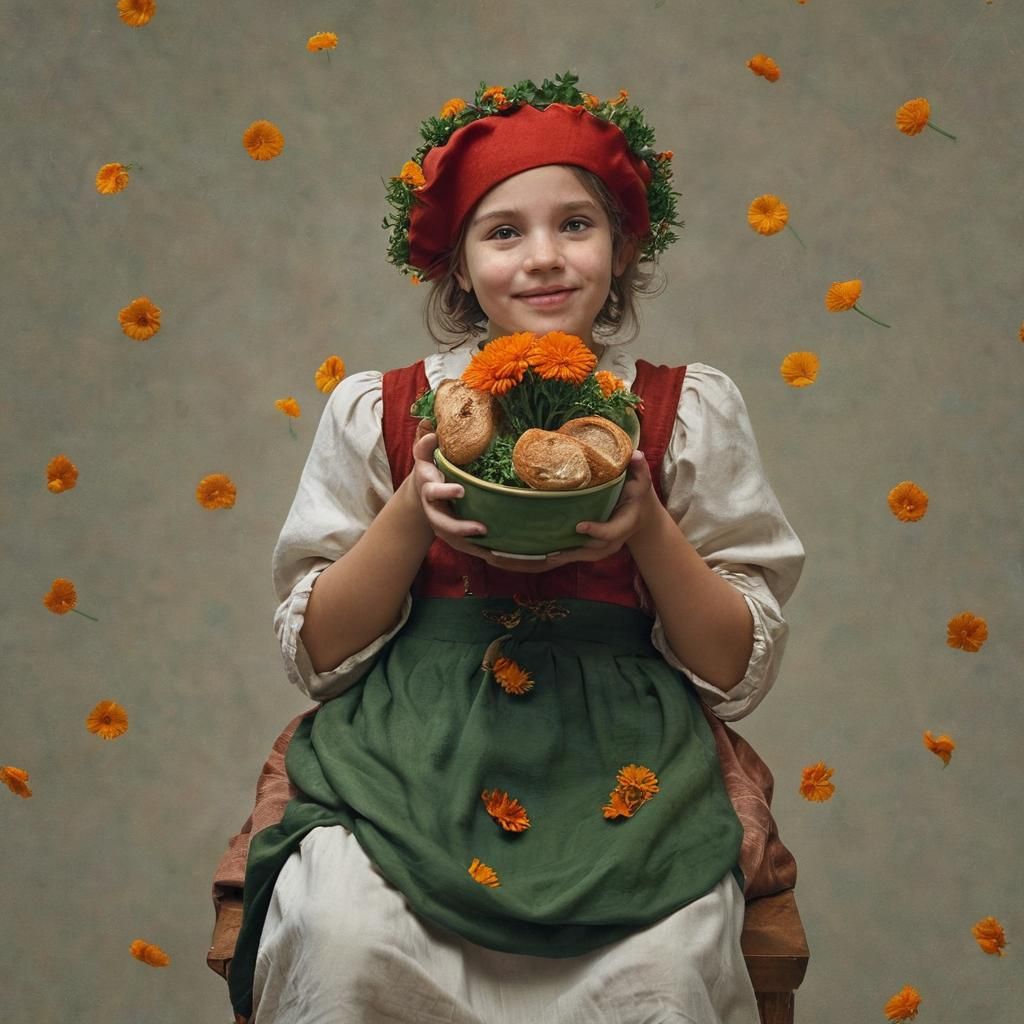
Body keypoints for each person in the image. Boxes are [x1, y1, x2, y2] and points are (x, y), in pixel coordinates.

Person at [226, 73, 805, 1024]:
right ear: (457, 266)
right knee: (342, 938)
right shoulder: (385, 409)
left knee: (659, 975)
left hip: (623, 754)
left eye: (576, 224)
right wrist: (413, 508)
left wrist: (648, 525)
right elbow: (318, 654)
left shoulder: (685, 408)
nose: (543, 259)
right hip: (412, 751)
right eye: (504, 233)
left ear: (622, 249)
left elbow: (735, 665)